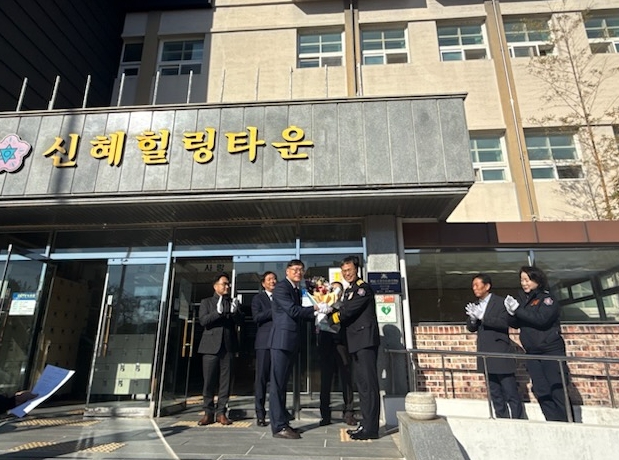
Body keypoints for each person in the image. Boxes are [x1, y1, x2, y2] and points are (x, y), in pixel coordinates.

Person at [269, 259, 329, 440]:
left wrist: (323, 312)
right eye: (295, 269)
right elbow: (293, 311)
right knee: (277, 385)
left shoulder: (296, 290)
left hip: (291, 341)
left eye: (301, 270)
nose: (298, 272)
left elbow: (300, 314)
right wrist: (316, 308)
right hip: (281, 341)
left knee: (282, 384)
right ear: (287, 271)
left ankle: (283, 422)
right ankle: (279, 426)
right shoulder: (281, 288)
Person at [504, 265, 573, 422]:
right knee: (541, 389)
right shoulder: (523, 300)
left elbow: (541, 320)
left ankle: (567, 422)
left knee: (557, 388)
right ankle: (552, 421)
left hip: (550, 350)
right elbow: (516, 324)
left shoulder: (547, 299)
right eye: (522, 280)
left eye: (527, 280)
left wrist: (518, 310)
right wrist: (511, 313)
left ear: (537, 280)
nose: (524, 283)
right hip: (532, 352)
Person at [329, 256, 380, 440]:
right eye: (343, 271)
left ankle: (371, 429)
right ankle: (366, 424)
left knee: (369, 385)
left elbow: (348, 311)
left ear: (356, 270)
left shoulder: (362, 289)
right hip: (356, 343)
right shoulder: (349, 290)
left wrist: (330, 316)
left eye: (349, 270)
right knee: (363, 386)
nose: (346, 274)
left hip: (365, 341)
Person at [465, 273, 524, 419]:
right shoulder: (476, 305)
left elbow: (504, 323)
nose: (474, 288)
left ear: (487, 286)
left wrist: (483, 317)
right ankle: (501, 417)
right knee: (495, 392)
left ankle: (517, 419)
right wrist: (473, 319)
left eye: (477, 285)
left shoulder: (500, 302)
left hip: (500, 351)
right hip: (485, 352)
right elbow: (471, 328)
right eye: (473, 286)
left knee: (510, 390)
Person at [197, 272, 244, 426]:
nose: (227, 286)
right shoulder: (206, 302)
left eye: (228, 284)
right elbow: (203, 321)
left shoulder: (232, 302)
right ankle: (208, 412)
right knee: (209, 381)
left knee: (226, 381)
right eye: (224, 284)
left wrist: (235, 313)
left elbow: (241, 322)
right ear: (215, 286)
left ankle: (221, 412)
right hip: (210, 347)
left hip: (228, 346)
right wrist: (217, 313)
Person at [317, 281, 356, 426]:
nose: (335, 292)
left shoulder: (345, 305)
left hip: (341, 343)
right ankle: (325, 414)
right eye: (332, 289)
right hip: (326, 343)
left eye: (338, 290)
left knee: (346, 377)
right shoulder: (323, 304)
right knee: (325, 379)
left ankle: (349, 412)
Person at [251, 271, 277, 427]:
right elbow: (256, 317)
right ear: (263, 283)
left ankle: (277, 412)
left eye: (274, 279)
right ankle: (260, 414)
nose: (273, 281)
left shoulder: (280, 297)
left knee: (276, 379)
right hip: (264, 343)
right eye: (269, 279)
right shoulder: (258, 298)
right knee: (261, 379)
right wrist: (274, 309)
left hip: (279, 342)